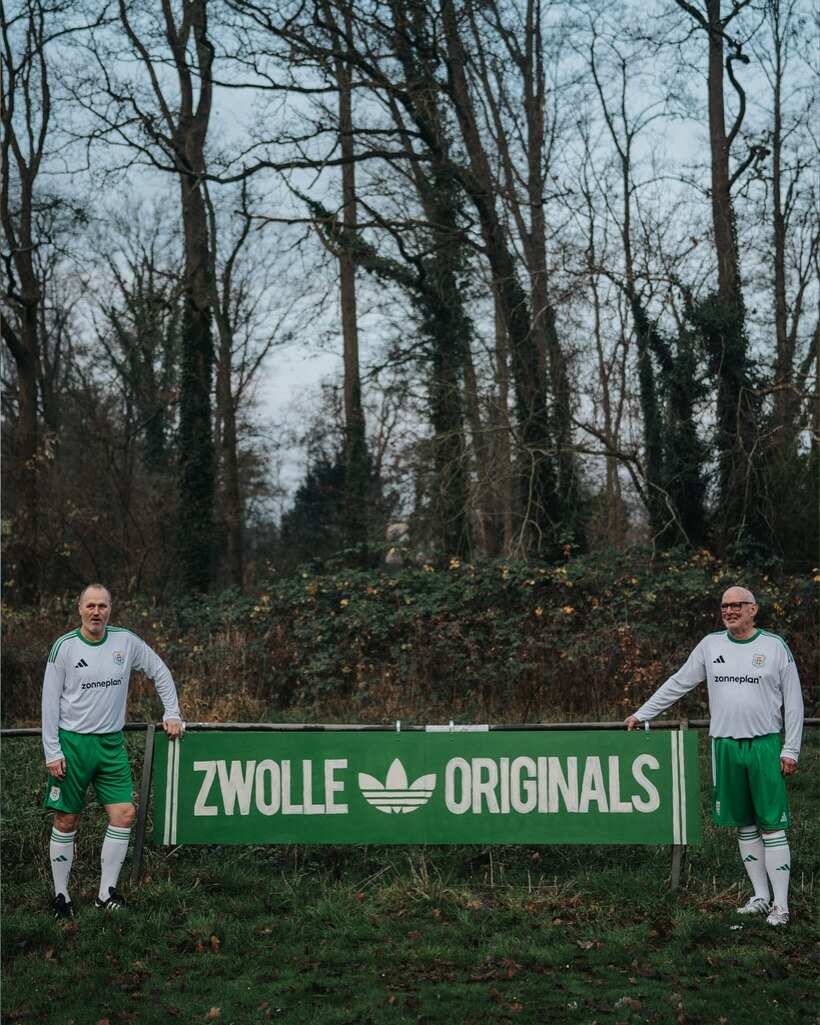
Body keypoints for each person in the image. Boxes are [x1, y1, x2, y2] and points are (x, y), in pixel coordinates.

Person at [625, 585, 803, 927]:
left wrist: (790, 747)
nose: (730, 610)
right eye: (725, 606)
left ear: (754, 609)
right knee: (744, 824)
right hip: (724, 745)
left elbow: (793, 701)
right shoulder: (711, 645)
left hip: (764, 744)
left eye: (737, 605)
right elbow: (679, 682)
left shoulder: (774, 646)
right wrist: (644, 713)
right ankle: (760, 897)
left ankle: (782, 905)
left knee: (772, 824)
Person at [42, 583, 184, 918]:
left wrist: (173, 712)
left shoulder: (126, 641)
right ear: (79, 608)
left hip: (111, 745)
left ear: (110, 608)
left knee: (124, 815)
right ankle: (61, 898)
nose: (96, 612)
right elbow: (49, 702)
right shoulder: (64, 647)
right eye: (90, 605)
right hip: (72, 745)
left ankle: (106, 895)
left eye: (102, 606)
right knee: (66, 819)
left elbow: (160, 671)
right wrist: (52, 750)